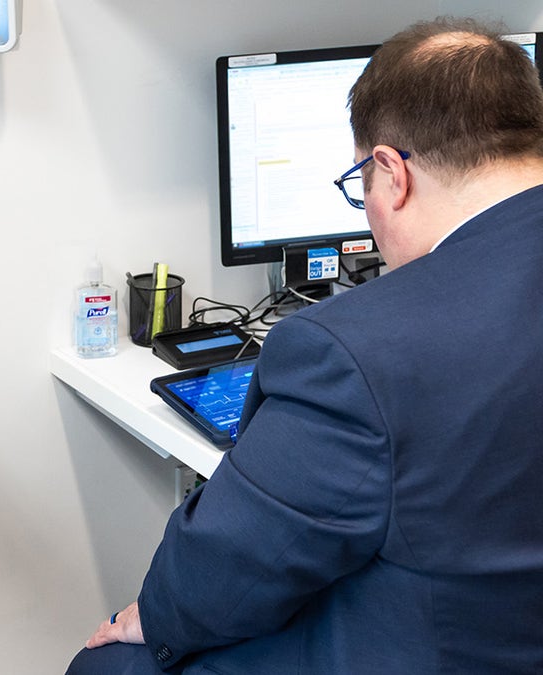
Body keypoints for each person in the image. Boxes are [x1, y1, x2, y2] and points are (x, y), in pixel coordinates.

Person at [67, 17, 543, 674]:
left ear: (390, 172)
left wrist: (156, 613)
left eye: (362, 188)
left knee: (113, 664)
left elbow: (221, 569)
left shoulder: (355, 348)